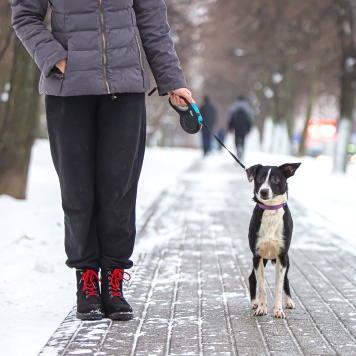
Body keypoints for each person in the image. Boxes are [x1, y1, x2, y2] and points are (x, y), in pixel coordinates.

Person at [11, 0, 195, 321]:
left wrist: (171, 80)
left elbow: (153, 23)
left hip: (125, 90)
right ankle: (86, 280)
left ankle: (113, 279)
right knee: (77, 191)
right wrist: (57, 59)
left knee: (118, 190)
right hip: (68, 91)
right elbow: (25, 15)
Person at [227, 96, 253, 160]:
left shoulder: (234, 107)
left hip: (236, 128)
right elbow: (250, 120)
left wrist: (229, 128)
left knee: (236, 140)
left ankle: (238, 152)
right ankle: (242, 152)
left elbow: (230, 119)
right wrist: (249, 129)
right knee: (243, 140)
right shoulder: (247, 108)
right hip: (244, 128)